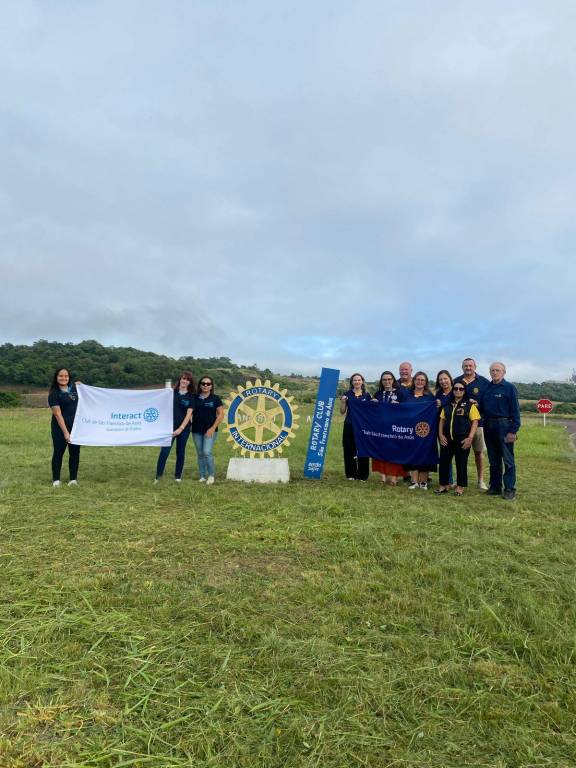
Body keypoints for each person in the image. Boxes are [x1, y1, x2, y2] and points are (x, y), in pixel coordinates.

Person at [480, 362, 521, 500]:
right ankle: (495, 487)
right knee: (493, 459)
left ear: (504, 372)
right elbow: (483, 408)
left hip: (504, 425)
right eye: (492, 370)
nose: (495, 372)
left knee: (508, 459)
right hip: (488, 425)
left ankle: (509, 489)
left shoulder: (509, 388)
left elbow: (515, 411)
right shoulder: (487, 388)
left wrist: (513, 431)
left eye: (498, 370)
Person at [436, 383, 481, 496]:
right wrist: (440, 434)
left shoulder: (470, 405)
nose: (458, 390)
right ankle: (443, 485)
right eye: (455, 388)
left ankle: (460, 486)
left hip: (462, 439)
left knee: (461, 462)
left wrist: (470, 438)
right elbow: (442, 420)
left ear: (464, 391)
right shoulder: (447, 405)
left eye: (461, 389)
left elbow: (475, 421)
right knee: (444, 462)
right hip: (447, 438)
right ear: (453, 390)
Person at [453, 358, 490, 490]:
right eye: (465, 366)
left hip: (478, 424)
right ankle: (458, 480)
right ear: (462, 367)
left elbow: (488, 401)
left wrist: (479, 405)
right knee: (459, 454)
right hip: (460, 424)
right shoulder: (456, 381)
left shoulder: (484, 382)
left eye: (470, 366)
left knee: (478, 453)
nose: (468, 368)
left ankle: (481, 480)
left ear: (475, 366)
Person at [154, 371, 195, 483]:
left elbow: (189, 414)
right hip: (169, 428)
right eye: (183, 378)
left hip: (184, 429)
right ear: (180, 379)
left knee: (180, 452)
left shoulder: (191, 396)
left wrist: (180, 429)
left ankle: (177, 477)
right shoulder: (170, 393)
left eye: (188, 380)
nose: (185, 381)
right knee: (164, 452)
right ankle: (158, 476)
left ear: (190, 383)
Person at [48, 367, 81, 487]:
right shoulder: (53, 394)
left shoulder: (75, 389)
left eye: (66, 376)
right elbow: (58, 414)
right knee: (58, 452)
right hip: (59, 428)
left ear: (69, 377)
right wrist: (66, 433)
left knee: (75, 453)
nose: (63, 378)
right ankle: (56, 480)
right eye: (61, 376)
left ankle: (73, 479)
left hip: (75, 427)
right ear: (56, 377)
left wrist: (82, 386)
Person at [371, 371, 406, 485]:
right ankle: (383, 477)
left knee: (394, 451)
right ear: (381, 381)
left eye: (389, 379)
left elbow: (407, 410)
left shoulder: (400, 393)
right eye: (384, 379)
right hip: (380, 427)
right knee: (381, 451)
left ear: (393, 380)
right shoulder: (378, 393)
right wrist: (372, 403)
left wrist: (399, 406)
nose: (387, 381)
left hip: (395, 427)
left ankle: (394, 477)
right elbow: (373, 411)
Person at [405, 371, 436, 490]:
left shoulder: (430, 397)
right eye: (418, 379)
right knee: (412, 454)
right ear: (414, 381)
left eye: (422, 380)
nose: (420, 382)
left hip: (425, 431)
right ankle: (414, 482)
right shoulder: (407, 395)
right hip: (410, 430)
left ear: (425, 382)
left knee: (425, 455)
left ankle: (423, 482)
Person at [191, 376, 224, 485]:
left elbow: (221, 414)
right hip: (196, 430)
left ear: (211, 386)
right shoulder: (194, 397)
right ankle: (202, 476)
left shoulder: (215, 398)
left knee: (207, 452)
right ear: (200, 385)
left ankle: (211, 475)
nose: (205, 385)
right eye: (203, 383)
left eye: (208, 384)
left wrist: (212, 428)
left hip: (210, 430)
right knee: (200, 453)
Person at [340, 373, 372, 480]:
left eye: (359, 380)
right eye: (355, 380)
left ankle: (363, 475)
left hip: (363, 426)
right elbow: (342, 411)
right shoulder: (347, 394)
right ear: (352, 382)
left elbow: (370, 411)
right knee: (349, 449)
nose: (357, 382)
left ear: (362, 381)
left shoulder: (367, 395)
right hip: (349, 425)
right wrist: (343, 402)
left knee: (363, 449)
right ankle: (351, 474)